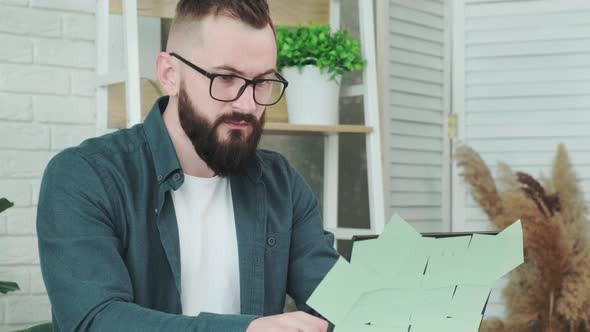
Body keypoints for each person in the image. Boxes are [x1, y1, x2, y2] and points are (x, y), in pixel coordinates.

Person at [36, 0, 339, 331]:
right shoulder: (85, 176)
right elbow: (94, 320)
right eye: (225, 78)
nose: (248, 104)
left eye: (262, 81)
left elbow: (340, 304)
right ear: (169, 74)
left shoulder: (282, 183)